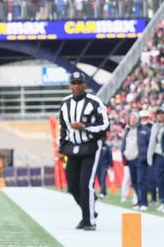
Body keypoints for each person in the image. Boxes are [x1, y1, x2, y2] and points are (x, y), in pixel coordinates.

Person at [58, 72, 109, 231]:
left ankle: (89, 221)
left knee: (85, 184)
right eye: (73, 83)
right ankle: (89, 210)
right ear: (69, 85)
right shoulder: (65, 104)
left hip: (91, 147)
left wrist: (85, 127)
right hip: (73, 148)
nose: (76, 86)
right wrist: (62, 148)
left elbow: (105, 125)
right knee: (73, 186)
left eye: (79, 83)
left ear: (85, 85)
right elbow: (63, 128)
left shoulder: (95, 102)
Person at [123, 111, 151, 211]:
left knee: (141, 181)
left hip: (140, 159)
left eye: (134, 118)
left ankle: (144, 203)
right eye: (131, 118)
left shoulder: (145, 130)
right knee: (134, 182)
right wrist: (124, 155)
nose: (132, 120)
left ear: (138, 119)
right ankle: (139, 201)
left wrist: (146, 157)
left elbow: (149, 144)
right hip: (130, 160)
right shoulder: (127, 130)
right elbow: (124, 144)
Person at [147, 108, 164, 212]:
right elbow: (152, 142)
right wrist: (149, 156)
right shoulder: (155, 127)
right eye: (158, 114)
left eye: (162, 113)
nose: (160, 116)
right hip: (157, 156)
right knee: (159, 180)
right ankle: (162, 201)